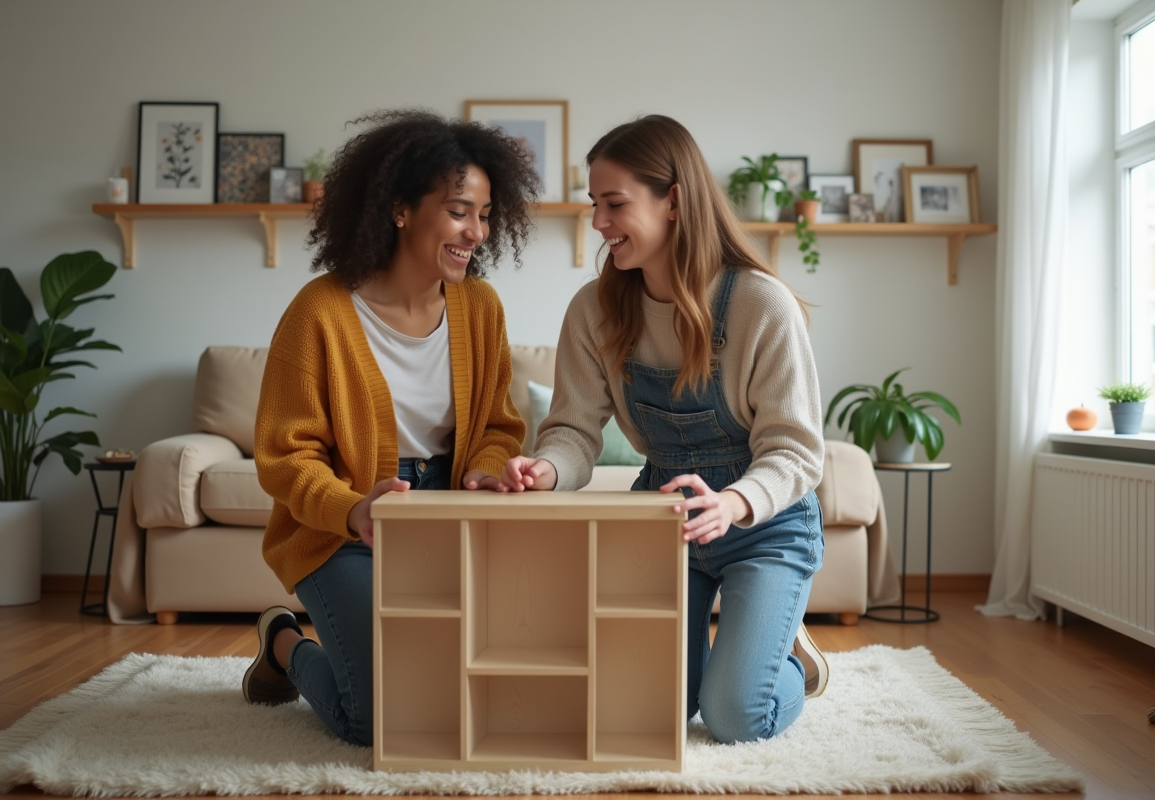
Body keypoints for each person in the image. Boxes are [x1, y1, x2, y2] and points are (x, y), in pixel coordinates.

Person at [501, 115, 827, 744]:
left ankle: (791, 661)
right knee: (648, 711)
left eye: (615, 204)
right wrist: (543, 470)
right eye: (595, 204)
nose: (598, 223)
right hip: (663, 521)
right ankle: (739, 658)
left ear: (673, 200)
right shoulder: (593, 310)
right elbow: (572, 431)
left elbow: (796, 450)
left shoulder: (762, 304)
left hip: (764, 525)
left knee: (735, 716)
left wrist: (732, 503)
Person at [241, 109, 541, 747]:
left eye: (485, 215)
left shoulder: (481, 308)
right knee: (379, 719)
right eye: (460, 210)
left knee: (485, 690)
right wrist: (353, 511)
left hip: (447, 518)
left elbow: (497, 423)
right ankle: (284, 643)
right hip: (342, 531)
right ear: (401, 209)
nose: (477, 232)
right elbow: (281, 457)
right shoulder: (320, 311)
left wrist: (485, 469)